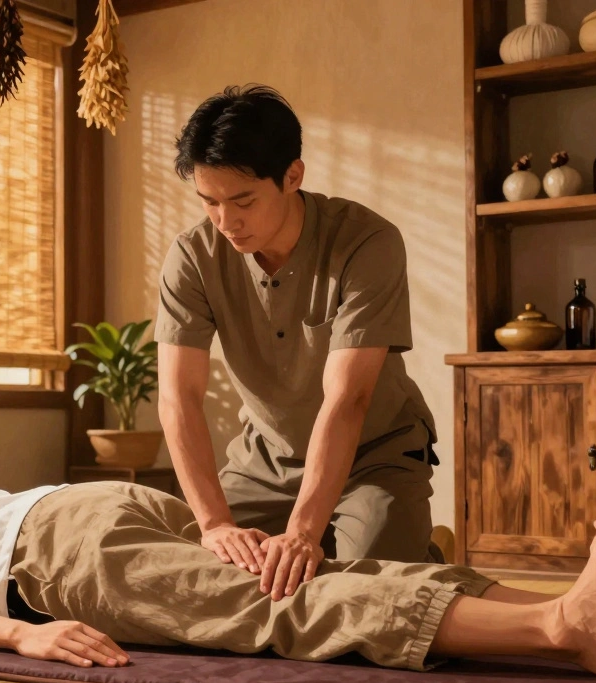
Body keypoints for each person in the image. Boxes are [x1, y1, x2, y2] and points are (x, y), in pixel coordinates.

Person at [0, 473, 596, 681]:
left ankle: (560, 632)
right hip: (99, 502)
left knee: (286, 607)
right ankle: (553, 602)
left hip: (57, 555)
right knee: (309, 569)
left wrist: (23, 634)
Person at [156, 84, 442, 600]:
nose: (227, 221)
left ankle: (412, 546)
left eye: (243, 200)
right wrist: (216, 523)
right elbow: (180, 398)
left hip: (374, 455)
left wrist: (305, 533)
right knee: (184, 576)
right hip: (264, 462)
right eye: (210, 202)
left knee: (362, 595)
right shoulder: (192, 256)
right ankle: (375, 544)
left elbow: (348, 398)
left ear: (293, 175)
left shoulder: (367, 242)